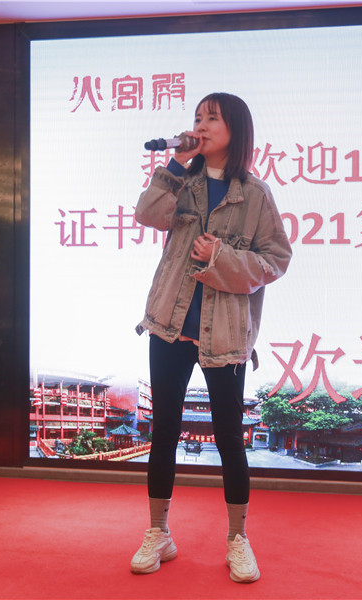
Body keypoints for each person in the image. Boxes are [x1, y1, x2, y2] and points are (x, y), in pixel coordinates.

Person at [130, 92, 292, 583]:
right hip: (169, 324)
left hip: (224, 332)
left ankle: (237, 539)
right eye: (197, 118)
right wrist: (175, 165)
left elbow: (275, 260)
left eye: (211, 119)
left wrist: (221, 257)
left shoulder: (256, 195)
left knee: (228, 437)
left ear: (234, 130)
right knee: (164, 429)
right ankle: (158, 532)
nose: (199, 126)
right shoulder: (184, 181)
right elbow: (147, 214)